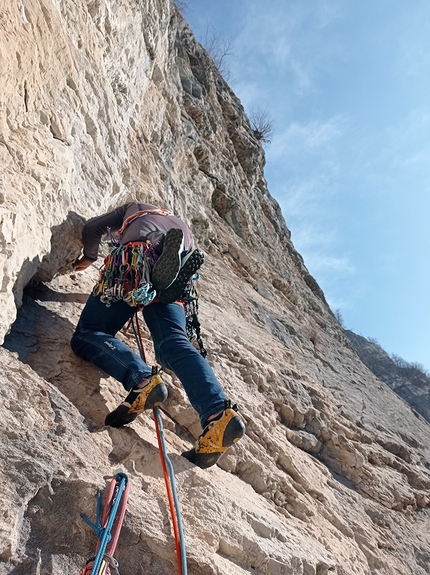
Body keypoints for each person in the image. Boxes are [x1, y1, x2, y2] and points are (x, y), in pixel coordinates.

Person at [71, 201, 245, 468]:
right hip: (178, 276)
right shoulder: (179, 221)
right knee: (172, 344)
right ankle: (218, 415)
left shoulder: (132, 207)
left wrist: (89, 257)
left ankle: (142, 381)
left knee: (88, 333)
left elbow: (94, 227)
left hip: (133, 260)